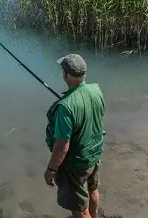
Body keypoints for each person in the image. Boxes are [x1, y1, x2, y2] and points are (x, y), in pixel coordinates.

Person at [44, 54, 106, 218]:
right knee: (92, 189)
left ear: (66, 75)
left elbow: (62, 147)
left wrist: (51, 169)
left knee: (79, 208)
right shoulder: (96, 89)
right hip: (94, 154)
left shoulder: (65, 107)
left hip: (76, 164)